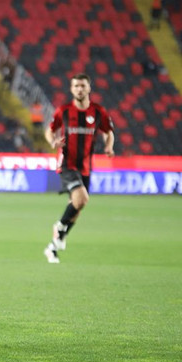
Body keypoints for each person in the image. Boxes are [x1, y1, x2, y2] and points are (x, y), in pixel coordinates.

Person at [43, 73, 114, 264]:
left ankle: (52, 247)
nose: (79, 89)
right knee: (82, 198)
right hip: (67, 163)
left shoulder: (98, 112)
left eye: (83, 86)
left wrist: (109, 146)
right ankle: (59, 227)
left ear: (89, 88)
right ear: (71, 89)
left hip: (86, 167)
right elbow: (49, 130)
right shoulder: (64, 111)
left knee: (78, 206)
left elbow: (109, 131)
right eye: (76, 86)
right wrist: (52, 142)